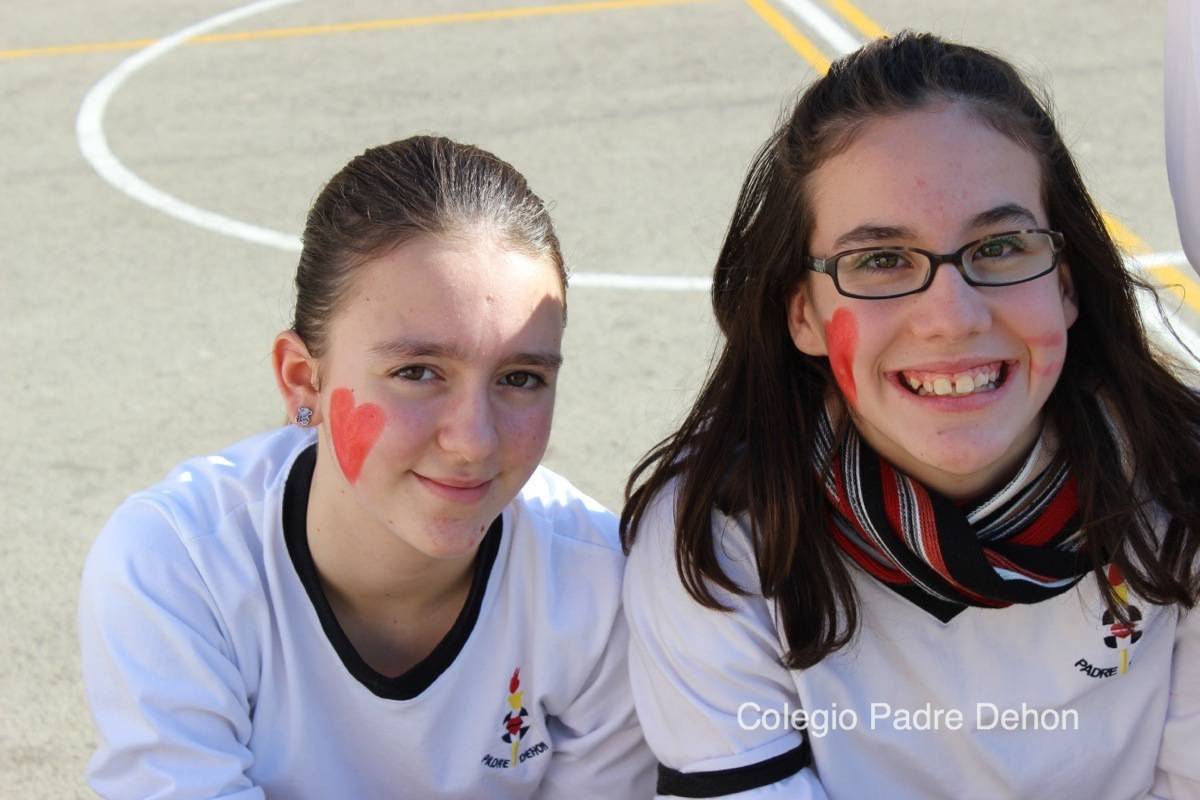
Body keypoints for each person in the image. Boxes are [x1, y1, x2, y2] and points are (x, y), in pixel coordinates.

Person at [621, 32, 1200, 799]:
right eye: (881, 260)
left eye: (1000, 246)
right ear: (803, 312)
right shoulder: (719, 536)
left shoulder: (1179, 485)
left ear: (1066, 284)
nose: (951, 316)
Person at [79, 136, 654, 799]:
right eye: (417, 372)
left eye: (520, 378)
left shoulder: (600, 591)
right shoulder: (178, 566)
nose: (473, 441)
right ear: (303, 381)